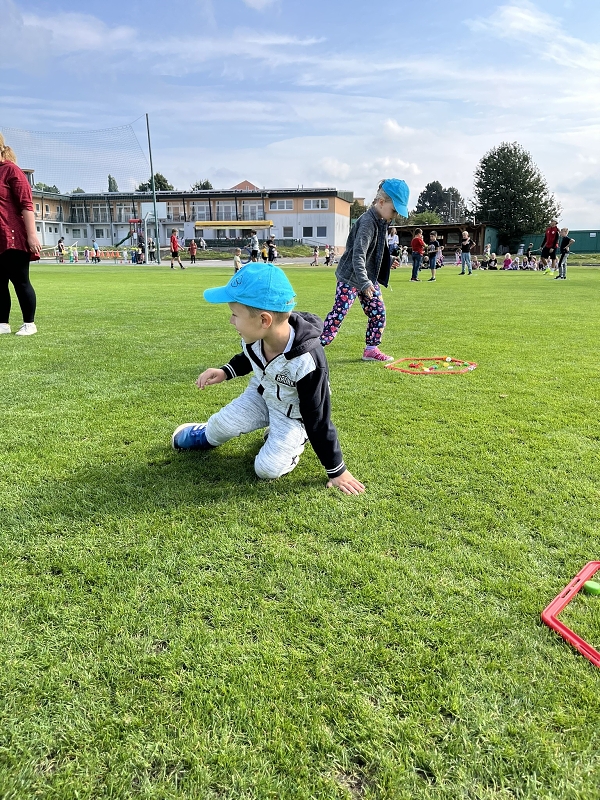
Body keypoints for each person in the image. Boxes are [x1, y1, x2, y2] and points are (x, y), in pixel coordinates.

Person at [171, 262, 365, 496]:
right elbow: (249, 357)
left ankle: (292, 437)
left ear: (264, 320)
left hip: (294, 413)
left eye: (235, 315)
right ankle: (205, 433)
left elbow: (318, 419)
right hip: (261, 394)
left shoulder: (307, 361)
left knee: (267, 469)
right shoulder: (255, 336)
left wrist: (337, 470)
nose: (231, 321)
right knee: (222, 425)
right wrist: (225, 371)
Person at [320, 178, 407, 361]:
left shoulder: (382, 222)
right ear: (381, 202)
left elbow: (374, 250)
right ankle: (314, 347)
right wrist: (365, 282)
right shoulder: (368, 222)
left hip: (368, 277)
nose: (394, 216)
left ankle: (371, 349)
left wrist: (388, 260)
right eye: (394, 210)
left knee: (378, 312)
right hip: (351, 277)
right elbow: (358, 254)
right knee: (339, 313)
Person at [0, 132, 40, 336]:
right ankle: (3, 323)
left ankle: (29, 323)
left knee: (20, 281)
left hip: (13, 236)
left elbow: (26, 205)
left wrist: (32, 235)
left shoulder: (11, 171)